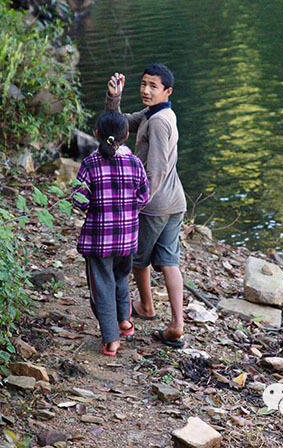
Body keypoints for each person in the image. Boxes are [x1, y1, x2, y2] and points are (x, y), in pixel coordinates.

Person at [105, 64, 187, 348]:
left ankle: (147, 306)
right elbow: (121, 125)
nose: (145, 90)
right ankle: (177, 323)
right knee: (168, 260)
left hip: (156, 204)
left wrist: (139, 202)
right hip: (175, 201)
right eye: (143, 84)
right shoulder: (158, 113)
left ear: (167, 91)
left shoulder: (159, 121)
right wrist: (114, 98)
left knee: (138, 260)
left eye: (153, 86)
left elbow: (157, 168)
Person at [72, 110, 150, 356]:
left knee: (102, 285)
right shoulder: (135, 163)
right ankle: (125, 321)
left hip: (98, 239)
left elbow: (78, 197)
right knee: (120, 278)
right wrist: (128, 209)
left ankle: (110, 339)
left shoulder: (90, 164)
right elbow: (144, 196)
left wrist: (94, 206)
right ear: (126, 135)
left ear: (97, 135)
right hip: (127, 238)